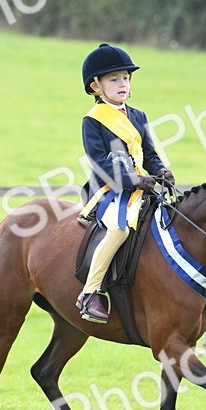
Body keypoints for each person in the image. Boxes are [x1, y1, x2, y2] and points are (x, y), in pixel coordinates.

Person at [76, 43, 175, 324]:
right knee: (120, 229)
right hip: (109, 190)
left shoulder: (138, 116)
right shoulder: (92, 120)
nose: (123, 84)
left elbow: (151, 154)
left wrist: (162, 171)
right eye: (114, 79)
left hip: (142, 187)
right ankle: (90, 292)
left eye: (126, 78)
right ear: (96, 86)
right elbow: (100, 162)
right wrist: (133, 180)